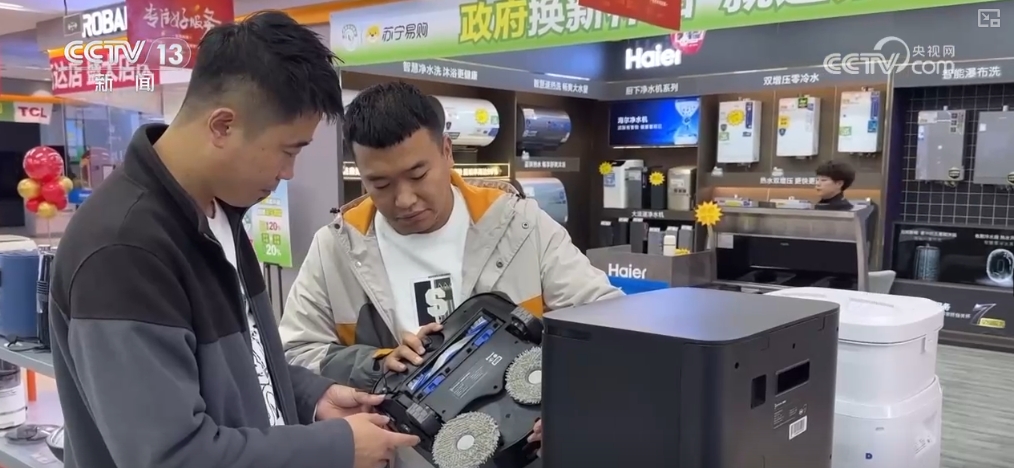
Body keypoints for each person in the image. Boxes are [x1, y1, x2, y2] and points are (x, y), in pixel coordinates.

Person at [49, 11, 418, 468]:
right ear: (222, 126)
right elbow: (170, 457)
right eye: (288, 150)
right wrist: (338, 447)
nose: (289, 172)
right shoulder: (123, 251)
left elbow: (243, 368)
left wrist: (312, 397)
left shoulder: (218, 213)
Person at [278, 81, 623, 453]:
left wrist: (569, 401)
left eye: (418, 175)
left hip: (521, 449)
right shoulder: (336, 247)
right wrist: (378, 363)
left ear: (446, 152)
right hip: (400, 455)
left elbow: (611, 325)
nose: (404, 199)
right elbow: (293, 355)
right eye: (380, 183)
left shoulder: (520, 226)